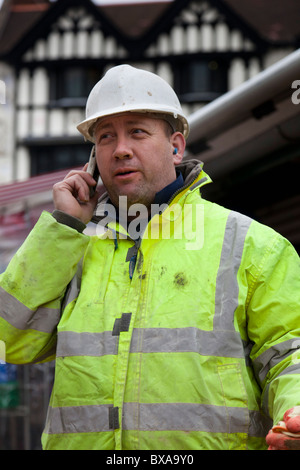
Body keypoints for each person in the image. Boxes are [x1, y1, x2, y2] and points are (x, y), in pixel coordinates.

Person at [0, 64, 300, 451]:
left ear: (176, 147)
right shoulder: (69, 245)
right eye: (106, 137)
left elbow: (290, 349)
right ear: (93, 159)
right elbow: (12, 341)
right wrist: (60, 228)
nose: (121, 148)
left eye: (137, 132)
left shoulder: (253, 245)